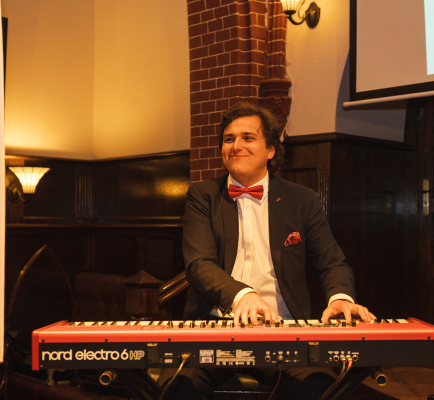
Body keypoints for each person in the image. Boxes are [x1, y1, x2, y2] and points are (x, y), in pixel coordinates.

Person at [159, 101, 375, 399]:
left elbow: (332, 263)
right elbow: (199, 264)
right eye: (229, 139)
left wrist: (340, 297)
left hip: (282, 331)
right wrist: (242, 295)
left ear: (270, 149)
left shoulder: (302, 200)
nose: (236, 146)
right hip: (213, 329)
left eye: (248, 138)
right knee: (179, 387)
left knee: (318, 386)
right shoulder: (202, 195)